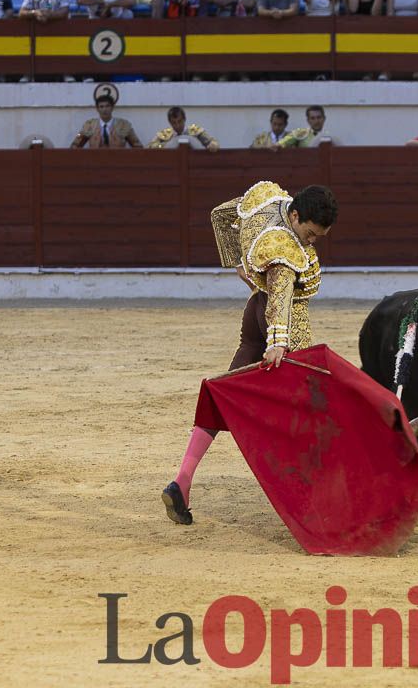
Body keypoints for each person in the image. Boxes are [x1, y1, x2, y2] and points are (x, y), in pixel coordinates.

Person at [162, 181, 339, 524]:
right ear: (297, 215)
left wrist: (236, 264)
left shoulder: (267, 201)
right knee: (311, 405)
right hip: (282, 320)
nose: (311, 241)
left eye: (318, 237)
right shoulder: (285, 247)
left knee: (224, 391)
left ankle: (182, 481)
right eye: (311, 233)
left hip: (253, 310)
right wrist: (278, 342)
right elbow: (282, 298)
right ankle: (315, 497)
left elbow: (222, 214)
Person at [71, 93, 139, 148]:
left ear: (112, 108)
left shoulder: (124, 125)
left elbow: (137, 145)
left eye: (107, 106)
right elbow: (75, 144)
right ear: (97, 109)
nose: (104, 109)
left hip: (118, 161)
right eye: (101, 107)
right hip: (95, 162)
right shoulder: (89, 125)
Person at [147, 106, 219, 150]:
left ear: (184, 119)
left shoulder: (195, 131)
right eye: (174, 123)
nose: (177, 125)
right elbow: (151, 146)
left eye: (180, 121)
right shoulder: (165, 135)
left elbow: (213, 142)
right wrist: (163, 146)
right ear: (170, 122)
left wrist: (212, 146)